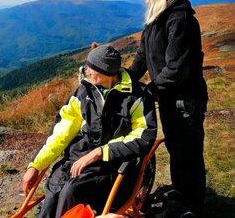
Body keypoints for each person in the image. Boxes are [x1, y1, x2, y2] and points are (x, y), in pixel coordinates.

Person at [22, 44, 157, 218]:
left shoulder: (138, 96)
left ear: (106, 71)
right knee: (52, 195)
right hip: (77, 161)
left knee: (71, 192)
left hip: (111, 167)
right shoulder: (84, 91)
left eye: (91, 68)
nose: (87, 72)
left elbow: (143, 137)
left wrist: (99, 153)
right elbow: (61, 132)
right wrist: (35, 165)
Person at [129, 0, 208, 217]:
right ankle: (181, 195)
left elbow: (177, 68)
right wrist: (125, 80)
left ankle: (193, 207)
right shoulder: (156, 17)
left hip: (185, 99)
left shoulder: (180, 18)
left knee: (189, 153)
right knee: (177, 148)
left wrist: (150, 90)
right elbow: (143, 56)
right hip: (168, 97)